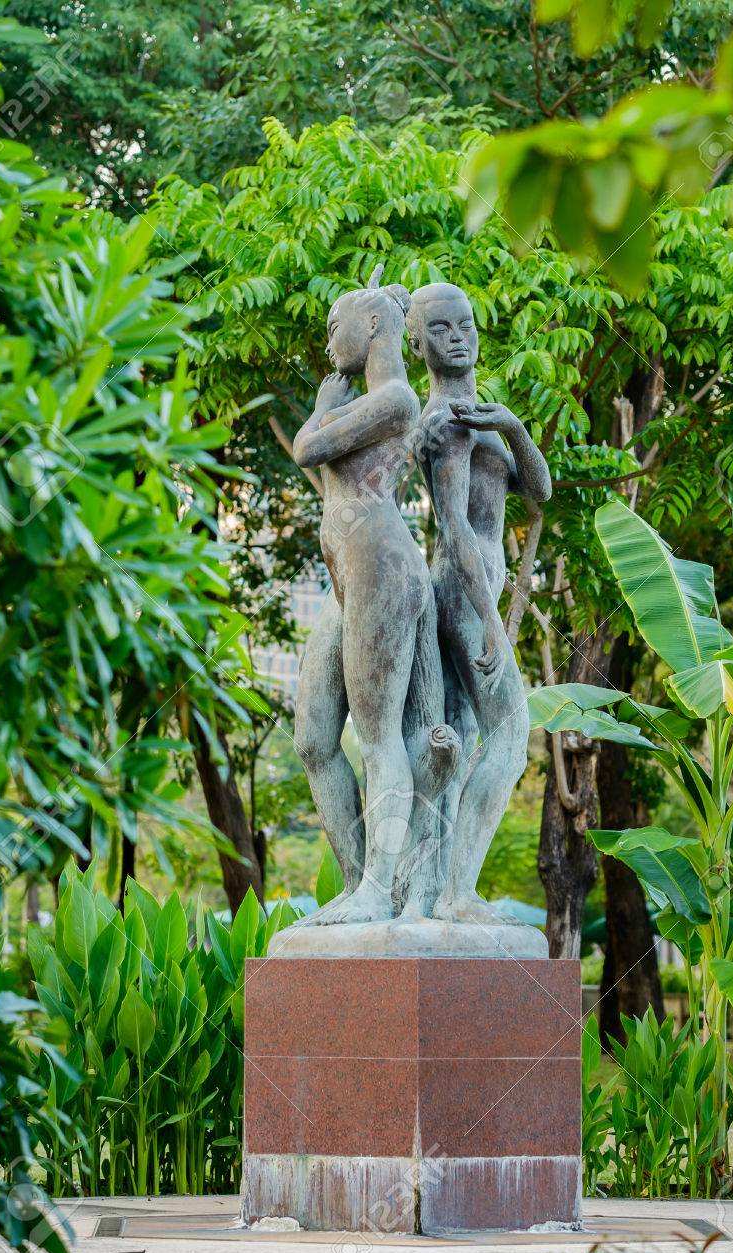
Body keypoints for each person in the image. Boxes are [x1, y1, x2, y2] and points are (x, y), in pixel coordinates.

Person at [292, 268, 455, 923]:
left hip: (380, 570)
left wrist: (322, 406)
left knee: (381, 737)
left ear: (372, 326)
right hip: (347, 576)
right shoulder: (368, 393)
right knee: (312, 740)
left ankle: (377, 889)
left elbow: (309, 447)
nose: (330, 341)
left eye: (337, 327)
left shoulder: (394, 397)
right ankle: (364, 883)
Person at [402, 282, 552, 923]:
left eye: (466, 325)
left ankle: (437, 888)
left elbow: (540, 492)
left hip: (479, 589)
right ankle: (456, 894)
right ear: (416, 343)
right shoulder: (443, 421)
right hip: (463, 591)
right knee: (511, 736)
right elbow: (455, 530)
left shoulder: (483, 415)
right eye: (441, 328)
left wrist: (515, 428)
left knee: (462, 737)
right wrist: (492, 623)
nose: (458, 336)